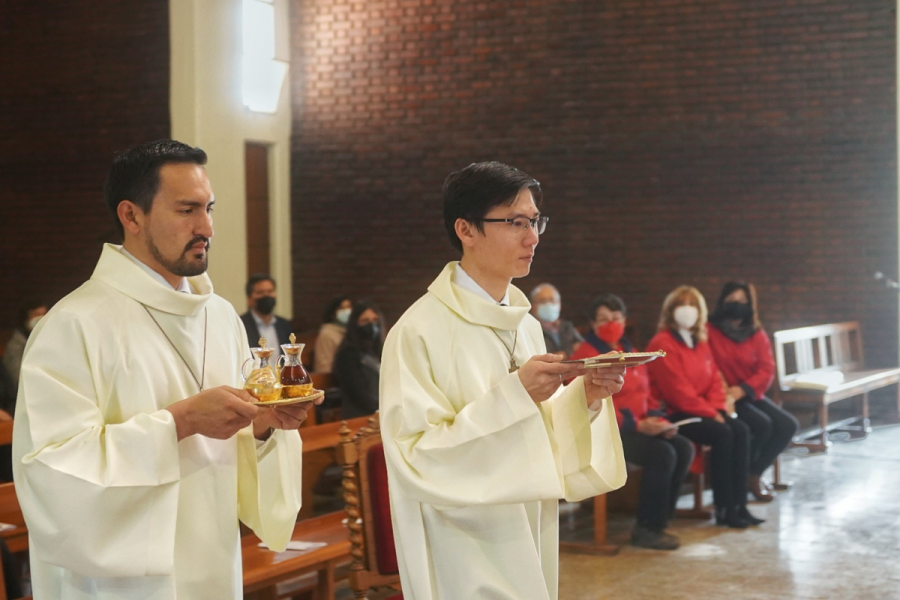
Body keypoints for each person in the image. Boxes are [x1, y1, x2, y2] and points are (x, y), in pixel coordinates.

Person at [12, 140, 317, 599]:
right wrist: (179, 423)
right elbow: (50, 473)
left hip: (213, 561)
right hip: (120, 583)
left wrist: (265, 429)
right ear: (131, 216)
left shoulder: (219, 316)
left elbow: (234, 456)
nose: (207, 227)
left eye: (210, 208)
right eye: (187, 210)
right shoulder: (73, 325)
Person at [380, 161, 627, 600]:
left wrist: (584, 397)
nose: (532, 237)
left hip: (528, 524)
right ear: (466, 230)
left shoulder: (525, 324)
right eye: (515, 223)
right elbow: (415, 457)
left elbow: (540, 431)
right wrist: (515, 395)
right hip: (464, 544)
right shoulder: (417, 332)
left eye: (535, 222)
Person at [570, 293, 693, 550]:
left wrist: (657, 420)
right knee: (661, 454)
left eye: (616, 318)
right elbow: (587, 401)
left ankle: (661, 518)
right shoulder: (587, 354)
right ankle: (646, 529)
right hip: (605, 430)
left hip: (637, 425)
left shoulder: (632, 351)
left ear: (624, 320)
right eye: (603, 319)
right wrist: (638, 425)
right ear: (592, 325)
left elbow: (644, 393)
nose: (610, 323)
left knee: (682, 447)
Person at [645, 285, 763, 529]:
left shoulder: (699, 341)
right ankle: (724, 508)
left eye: (692, 305)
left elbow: (714, 381)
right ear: (670, 310)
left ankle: (739, 505)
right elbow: (678, 393)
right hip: (676, 414)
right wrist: (712, 413)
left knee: (740, 430)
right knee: (723, 433)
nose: (687, 310)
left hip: (704, 410)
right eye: (681, 304)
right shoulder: (663, 342)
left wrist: (718, 409)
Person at [708, 281, 799, 501]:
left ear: (749, 304)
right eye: (731, 300)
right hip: (722, 395)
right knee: (762, 424)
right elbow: (707, 363)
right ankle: (741, 479)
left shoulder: (755, 332)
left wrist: (744, 389)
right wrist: (726, 391)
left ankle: (753, 473)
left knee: (788, 425)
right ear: (722, 302)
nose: (736, 305)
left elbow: (766, 368)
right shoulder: (709, 329)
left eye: (741, 301)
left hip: (748, 393)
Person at [333, 300, 384, 418]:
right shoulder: (347, 355)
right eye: (365, 321)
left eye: (375, 320)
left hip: (382, 411)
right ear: (355, 324)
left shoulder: (380, 351)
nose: (371, 325)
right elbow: (360, 394)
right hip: (360, 415)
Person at [240, 274, 292, 361]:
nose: (266, 296)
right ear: (249, 299)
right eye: (260, 293)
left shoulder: (284, 325)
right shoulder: (241, 325)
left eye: (270, 291)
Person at [3, 299, 48, 394]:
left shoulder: (49, 338)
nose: (41, 318)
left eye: (44, 314)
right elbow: (19, 379)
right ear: (25, 319)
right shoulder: (15, 346)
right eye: (36, 315)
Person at [530, 283, 583, 357]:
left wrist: (565, 354)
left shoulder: (566, 327)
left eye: (552, 300)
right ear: (533, 306)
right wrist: (569, 352)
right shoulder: (529, 330)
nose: (548, 304)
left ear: (559, 304)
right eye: (543, 301)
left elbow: (582, 348)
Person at [314, 295, 352, 373]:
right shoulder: (327, 334)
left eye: (349, 307)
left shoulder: (350, 331)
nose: (347, 311)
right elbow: (323, 366)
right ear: (333, 313)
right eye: (342, 308)